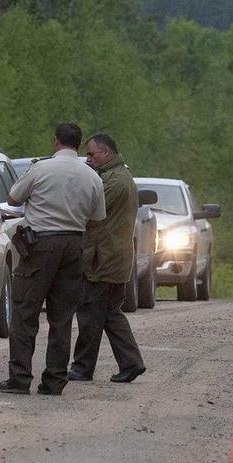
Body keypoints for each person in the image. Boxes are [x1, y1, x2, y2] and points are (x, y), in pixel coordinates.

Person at [0, 122, 106, 396]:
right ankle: (55, 379)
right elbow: (97, 217)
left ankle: (20, 378)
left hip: (41, 244)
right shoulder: (92, 176)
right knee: (62, 317)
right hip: (73, 245)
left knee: (25, 312)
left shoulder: (41, 168)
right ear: (79, 145)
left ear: (56, 141)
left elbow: (13, 197)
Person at [69, 133, 146, 384]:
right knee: (110, 313)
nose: (88, 159)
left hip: (104, 258)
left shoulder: (113, 182)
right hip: (115, 257)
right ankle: (131, 362)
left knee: (92, 313)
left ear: (106, 153)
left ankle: (83, 367)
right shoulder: (120, 177)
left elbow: (89, 214)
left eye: (92, 154)